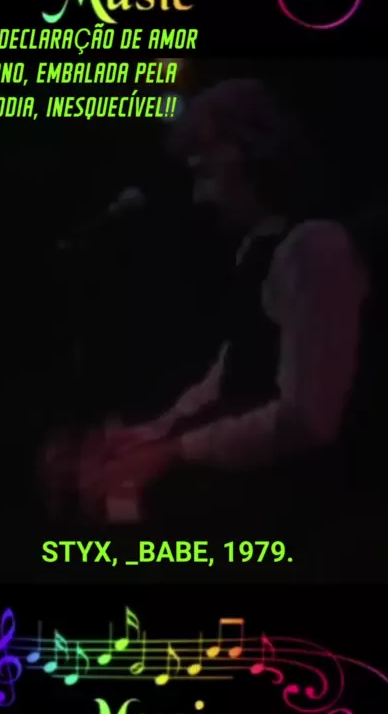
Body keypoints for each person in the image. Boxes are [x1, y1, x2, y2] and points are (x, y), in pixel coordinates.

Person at [44, 78, 375, 560]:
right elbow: (229, 374)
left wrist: (172, 452)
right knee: (96, 495)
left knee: (114, 529)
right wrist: (149, 434)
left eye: (205, 174)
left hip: (310, 500)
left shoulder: (314, 248)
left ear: (249, 156)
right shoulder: (258, 249)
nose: (200, 198)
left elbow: (307, 421)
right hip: (262, 478)